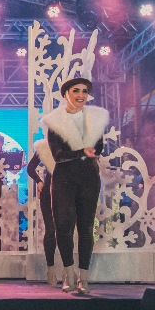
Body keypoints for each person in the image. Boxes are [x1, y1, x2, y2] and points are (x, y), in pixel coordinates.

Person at [41, 77, 108, 294]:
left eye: (84, 91)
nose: (81, 95)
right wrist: (82, 152)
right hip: (63, 179)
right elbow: (58, 156)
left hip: (89, 178)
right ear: (66, 95)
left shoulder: (95, 120)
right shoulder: (55, 122)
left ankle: (84, 278)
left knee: (86, 228)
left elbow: (99, 147)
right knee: (63, 227)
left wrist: (89, 152)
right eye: (76, 91)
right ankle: (68, 274)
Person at [25, 138, 57, 286]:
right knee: (51, 229)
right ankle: (51, 269)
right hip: (49, 191)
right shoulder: (45, 146)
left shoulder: (70, 144)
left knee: (63, 230)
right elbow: (30, 168)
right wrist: (39, 181)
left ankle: (66, 270)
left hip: (65, 190)